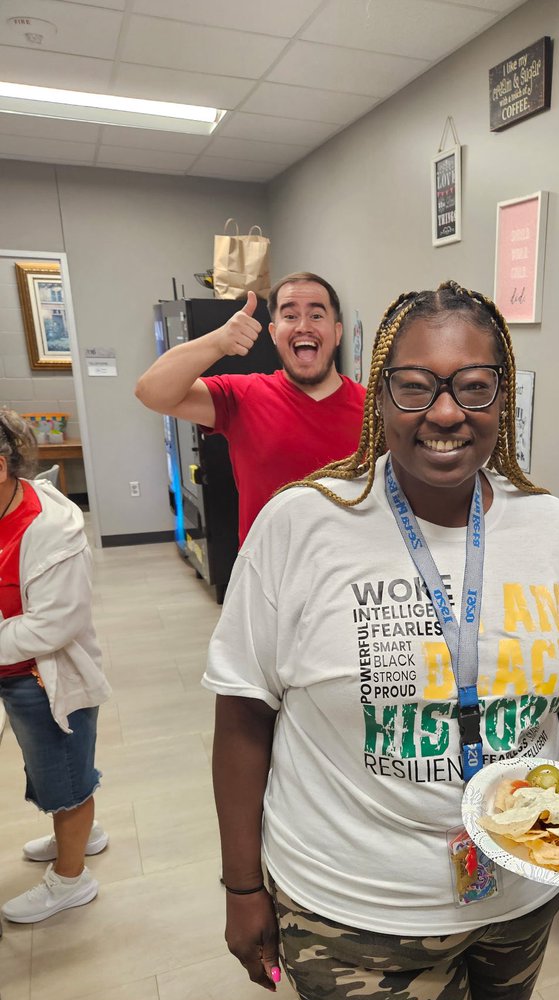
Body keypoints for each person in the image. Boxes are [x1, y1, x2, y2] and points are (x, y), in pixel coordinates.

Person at [203, 281, 559, 1000]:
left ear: (502, 399)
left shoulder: (548, 524)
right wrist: (243, 887)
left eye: (474, 386)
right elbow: (243, 714)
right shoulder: (304, 524)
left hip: (517, 898)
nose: (444, 413)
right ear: (379, 394)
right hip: (353, 910)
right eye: (414, 386)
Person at [134, 272, 365, 542]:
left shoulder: (373, 408)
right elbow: (150, 391)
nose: (304, 326)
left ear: (337, 332)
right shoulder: (242, 396)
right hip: (267, 576)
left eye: (316, 315)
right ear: (273, 333)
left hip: (350, 576)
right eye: (290, 316)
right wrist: (218, 341)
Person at [0, 412, 111, 924]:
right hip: (16, 671)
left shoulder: (49, 529)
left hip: (44, 679)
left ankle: (72, 880)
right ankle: (79, 836)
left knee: (64, 776)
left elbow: (54, 626)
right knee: (53, 768)